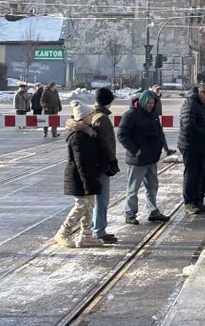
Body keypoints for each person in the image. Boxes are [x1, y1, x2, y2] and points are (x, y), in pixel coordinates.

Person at [54, 100, 109, 249]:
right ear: (83, 117)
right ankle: (63, 233)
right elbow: (80, 163)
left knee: (89, 205)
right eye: (90, 114)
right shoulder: (78, 136)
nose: (92, 116)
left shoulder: (87, 132)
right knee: (82, 205)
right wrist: (87, 182)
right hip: (80, 177)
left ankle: (86, 236)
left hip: (89, 175)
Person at [117, 89, 171, 225]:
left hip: (151, 157)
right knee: (133, 188)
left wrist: (161, 147)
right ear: (142, 101)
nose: (151, 105)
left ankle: (153, 211)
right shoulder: (130, 115)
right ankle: (130, 213)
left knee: (152, 186)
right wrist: (135, 150)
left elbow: (159, 132)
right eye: (149, 102)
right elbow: (122, 134)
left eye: (153, 103)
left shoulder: (153, 115)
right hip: (138, 159)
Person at [91, 87, 120, 243]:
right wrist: (112, 160)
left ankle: (96, 228)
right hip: (102, 164)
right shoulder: (102, 118)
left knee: (97, 199)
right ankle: (99, 231)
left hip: (97, 162)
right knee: (102, 199)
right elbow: (104, 143)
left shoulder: (94, 114)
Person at [179, 82, 205, 214]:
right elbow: (188, 125)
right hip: (190, 144)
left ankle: (197, 200)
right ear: (201, 92)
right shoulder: (191, 103)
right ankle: (189, 202)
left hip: (200, 144)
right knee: (191, 174)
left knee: (199, 174)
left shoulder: (200, 103)